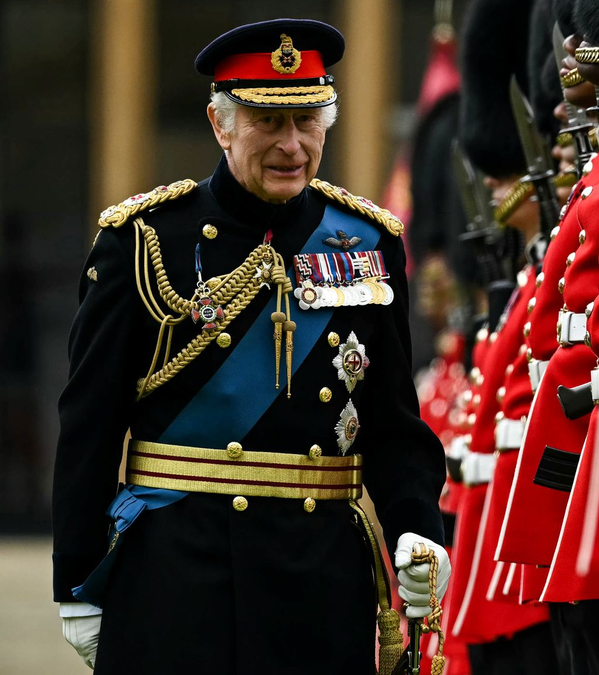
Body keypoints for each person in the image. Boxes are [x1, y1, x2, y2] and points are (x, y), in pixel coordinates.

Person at [53, 19, 449, 675]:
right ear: (221, 124)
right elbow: (89, 422)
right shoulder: (146, 240)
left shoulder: (369, 243)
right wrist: (76, 580)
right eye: (268, 121)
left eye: (307, 121)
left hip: (320, 583)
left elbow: (394, 426)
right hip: (177, 579)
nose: (291, 145)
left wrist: (419, 531)